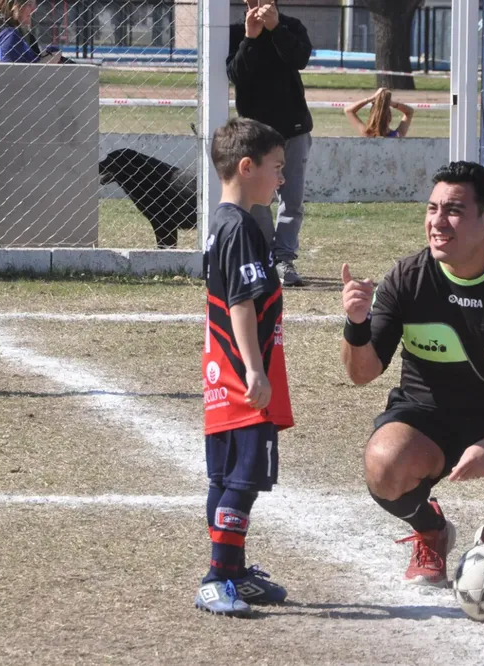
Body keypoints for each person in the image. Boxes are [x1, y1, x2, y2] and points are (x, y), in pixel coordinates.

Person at [340, 161, 484, 587]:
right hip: (425, 418)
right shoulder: (407, 278)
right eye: (432, 209)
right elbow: (363, 373)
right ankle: (431, 530)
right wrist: (355, 324)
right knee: (383, 464)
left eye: (454, 211)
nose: (437, 222)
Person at [196, 117, 295, 617]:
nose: (282, 179)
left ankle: (232, 571)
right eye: (277, 168)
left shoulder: (223, 224)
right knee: (244, 476)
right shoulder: (240, 228)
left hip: (225, 372)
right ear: (246, 166)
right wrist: (255, 372)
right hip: (241, 377)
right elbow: (240, 303)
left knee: (227, 474)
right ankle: (219, 575)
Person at [227, 0, 313, 288]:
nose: (260, 3)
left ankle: (284, 257)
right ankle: (266, 257)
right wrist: (250, 38)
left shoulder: (292, 26)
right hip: (256, 132)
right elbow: (236, 75)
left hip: (294, 128)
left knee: (292, 199)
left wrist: (276, 29)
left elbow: (298, 59)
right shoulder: (235, 33)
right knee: (258, 199)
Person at [0, 0, 66, 92]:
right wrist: (46, 62)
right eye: (29, 4)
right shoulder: (9, 35)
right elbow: (11, 82)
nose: (34, 9)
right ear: (15, 6)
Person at [344, 88, 415, 138]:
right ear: (390, 118)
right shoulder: (397, 135)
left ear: (372, 117)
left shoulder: (367, 135)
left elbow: (348, 110)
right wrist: (391, 103)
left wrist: (371, 98)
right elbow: (409, 111)